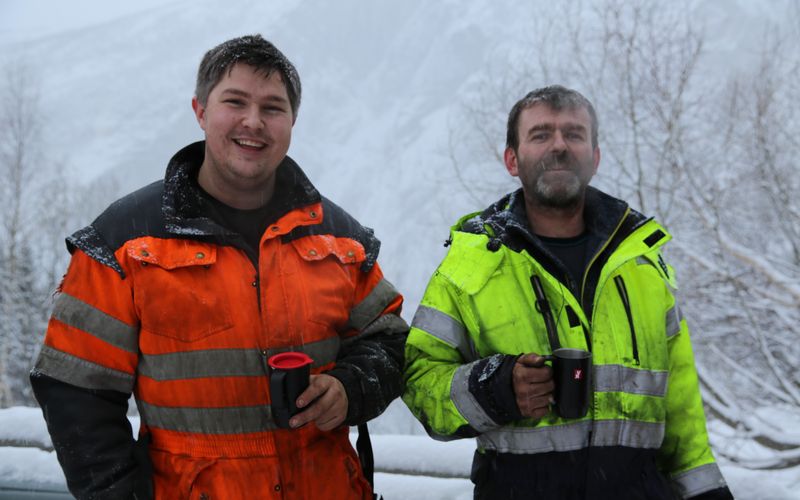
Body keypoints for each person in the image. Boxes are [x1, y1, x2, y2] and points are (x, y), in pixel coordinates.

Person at [30, 34, 408, 499]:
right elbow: (74, 389)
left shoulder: (339, 239)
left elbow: (390, 344)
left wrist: (350, 388)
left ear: (292, 122)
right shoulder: (125, 243)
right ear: (200, 111)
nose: (254, 122)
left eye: (273, 108)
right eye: (235, 102)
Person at [402, 85, 733, 499]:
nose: (559, 146)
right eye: (540, 134)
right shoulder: (470, 268)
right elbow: (419, 383)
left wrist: (708, 493)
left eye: (574, 134)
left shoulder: (643, 266)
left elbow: (683, 414)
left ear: (594, 157)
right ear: (511, 159)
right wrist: (496, 388)